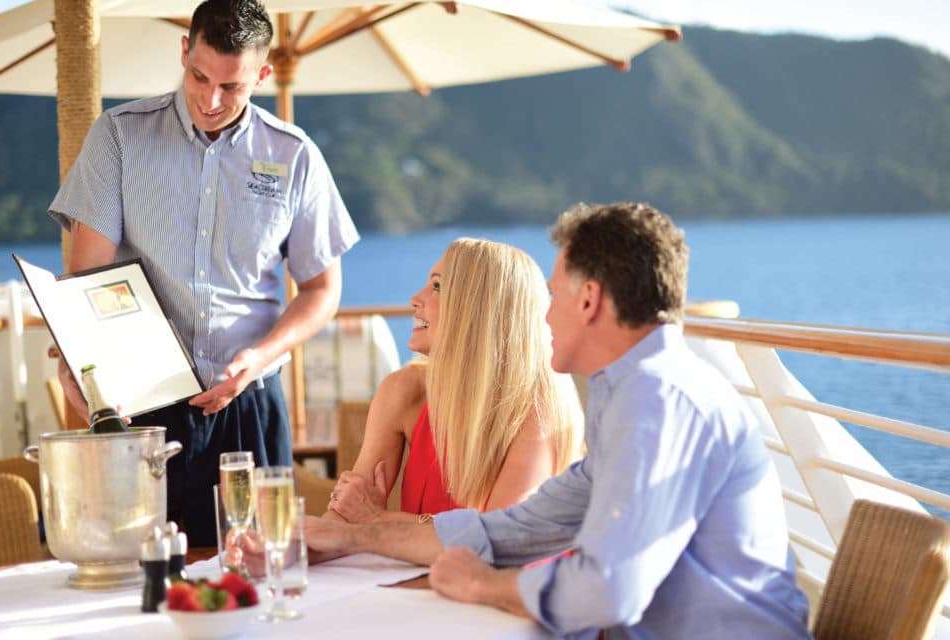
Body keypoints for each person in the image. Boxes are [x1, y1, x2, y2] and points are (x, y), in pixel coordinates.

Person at [305, 202, 811, 639]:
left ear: (588, 299)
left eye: (553, 295)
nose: (542, 317)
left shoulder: (658, 403)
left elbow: (608, 591)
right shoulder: (629, 396)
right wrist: (348, 535)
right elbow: (517, 529)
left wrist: (484, 585)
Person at [48, 0, 359, 546]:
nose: (210, 100)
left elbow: (322, 289)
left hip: (249, 403)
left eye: (233, 87)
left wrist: (258, 359)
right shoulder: (119, 136)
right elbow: (87, 278)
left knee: (261, 578)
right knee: (143, 580)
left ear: (262, 76)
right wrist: (79, 361)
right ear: (184, 51)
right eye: (199, 76)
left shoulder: (295, 156)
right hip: (140, 408)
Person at [326, 238, 584, 525]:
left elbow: (494, 540)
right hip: (419, 570)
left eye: (437, 287)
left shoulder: (537, 409)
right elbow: (344, 518)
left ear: (480, 310)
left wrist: (378, 521)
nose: (415, 298)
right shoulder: (404, 390)